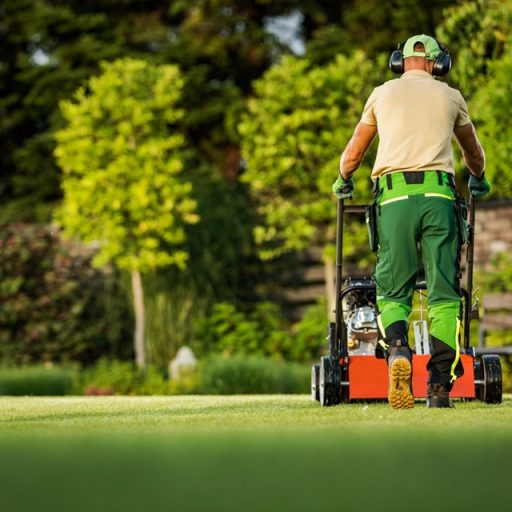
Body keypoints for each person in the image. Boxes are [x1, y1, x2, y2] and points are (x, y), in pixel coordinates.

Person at [332, 34, 491, 409]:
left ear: (398, 62)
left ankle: (399, 351)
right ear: (439, 64)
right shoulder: (451, 96)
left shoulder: (382, 94)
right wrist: (478, 177)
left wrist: (344, 178)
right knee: (444, 293)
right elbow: (473, 153)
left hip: (394, 197)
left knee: (391, 288)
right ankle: (439, 387)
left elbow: (354, 151)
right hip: (439, 197)